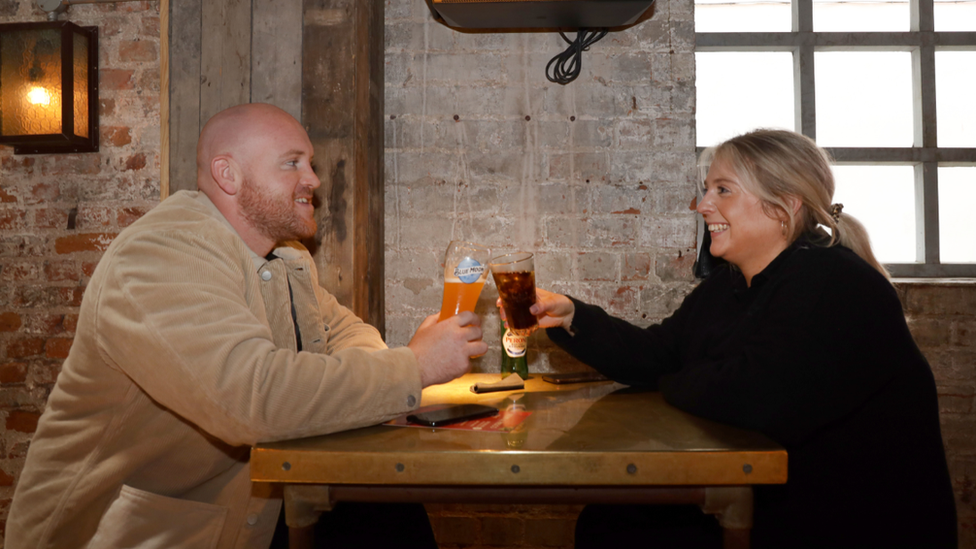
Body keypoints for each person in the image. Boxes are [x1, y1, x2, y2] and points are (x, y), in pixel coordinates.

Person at [6, 103, 488, 549]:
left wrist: (375, 374)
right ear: (228, 174)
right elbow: (253, 399)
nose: (313, 180)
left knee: (385, 509)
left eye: (311, 163)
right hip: (139, 532)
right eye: (292, 163)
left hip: (247, 513)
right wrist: (414, 368)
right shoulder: (160, 257)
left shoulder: (286, 259)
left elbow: (347, 332)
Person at [518, 129, 957, 548]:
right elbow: (658, 354)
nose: (703, 204)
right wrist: (573, 316)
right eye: (707, 189)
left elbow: (753, 398)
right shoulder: (729, 285)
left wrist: (677, 378)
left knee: (617, 530)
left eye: (723, 190)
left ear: (783, 206)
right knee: (608, 520)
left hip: (847, 524)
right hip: (780, 502)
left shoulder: (833, 282)